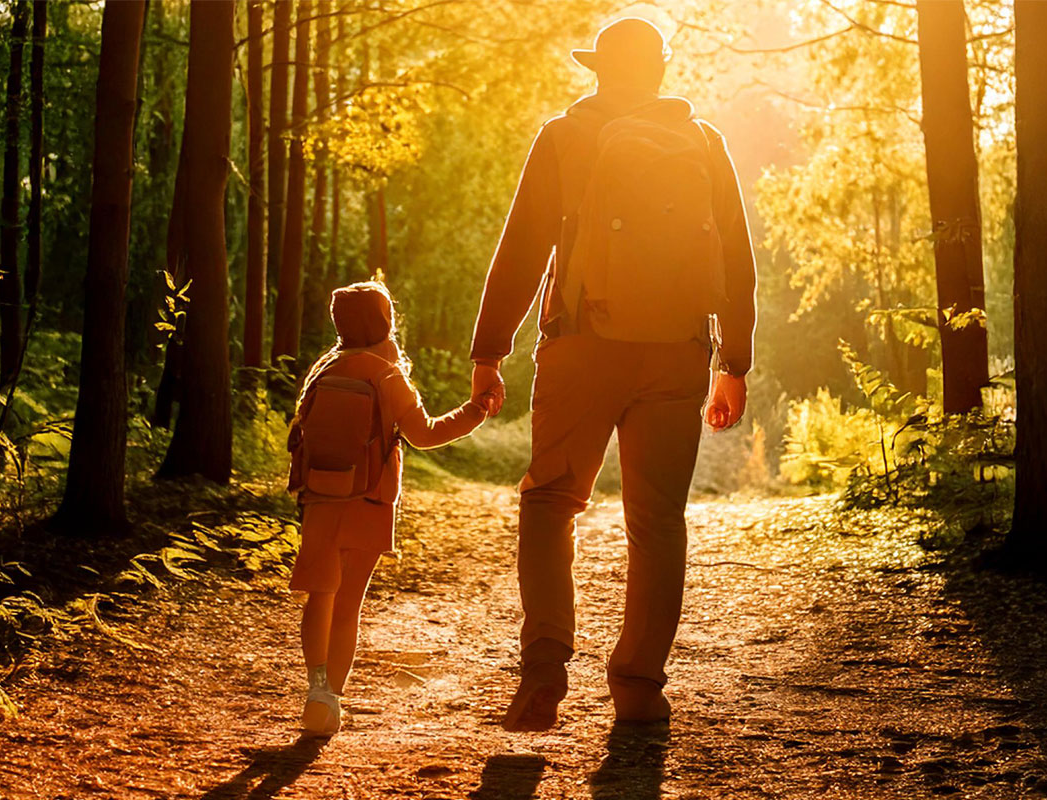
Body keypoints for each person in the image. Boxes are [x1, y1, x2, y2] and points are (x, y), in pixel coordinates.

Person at [469, 17, 757, 730]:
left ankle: (544, 664)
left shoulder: (564, 137)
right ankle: (639, 687)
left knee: (551, 501)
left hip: (581, 346)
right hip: (678, 353)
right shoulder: (705, 141)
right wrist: (735, 363)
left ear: (598, 71)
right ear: (660, 70)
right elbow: (740, 263)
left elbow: (523, 247)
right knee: (657, 521)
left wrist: (489, 349)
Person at [287, 281, 491, 736]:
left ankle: (316, 689)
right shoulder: (387, 376)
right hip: (371, 499)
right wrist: (475, 411)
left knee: (321, 594)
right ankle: (332, 701)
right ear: (384, 322)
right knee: (348, 604)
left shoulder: (323, 371)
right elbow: (426, 434)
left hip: (320, 495)